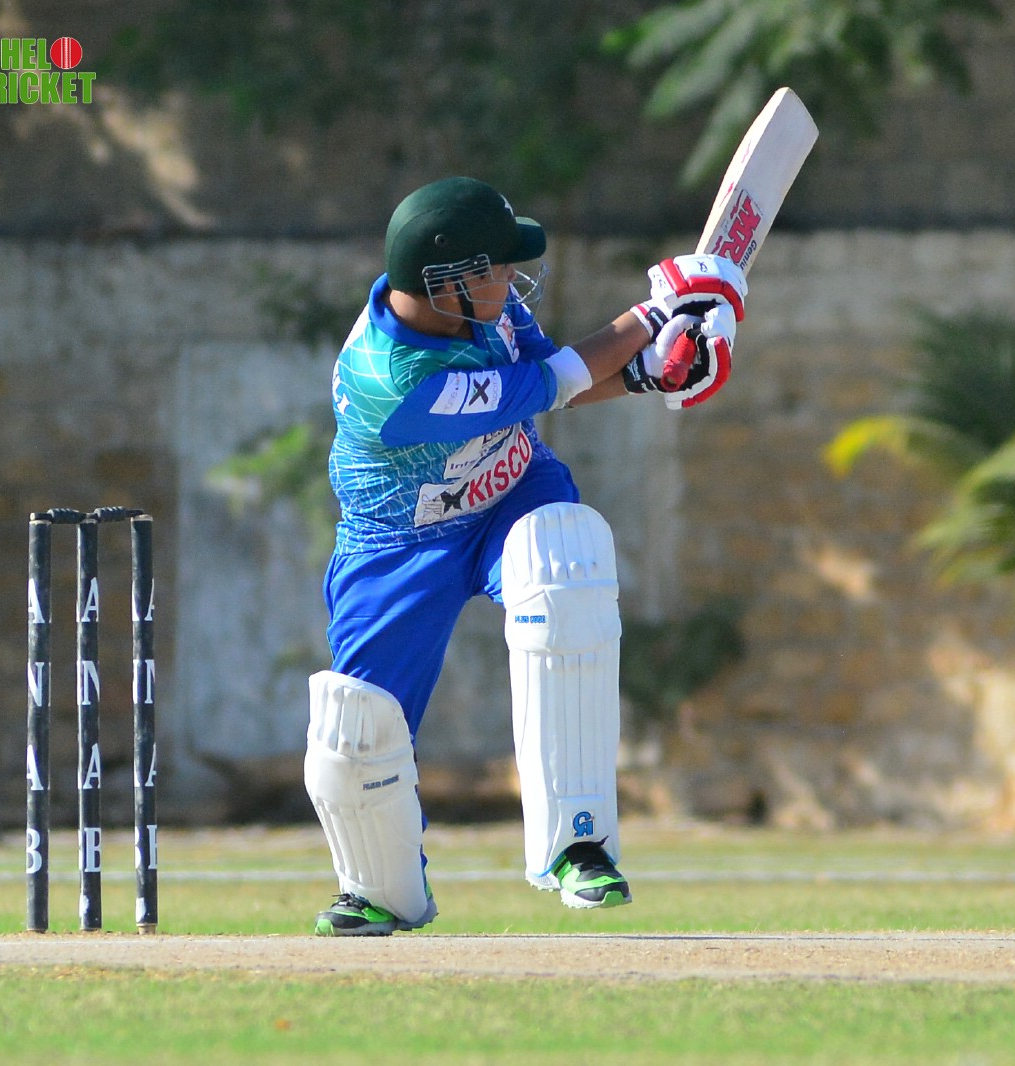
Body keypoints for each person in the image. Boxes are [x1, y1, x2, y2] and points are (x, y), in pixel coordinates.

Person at [304, 176, 745, 935]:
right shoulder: (393, 379)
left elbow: (559, 383)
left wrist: (649, 372)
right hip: (398, 542)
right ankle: (379, 890)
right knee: (356, 728)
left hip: (510, 491)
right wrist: (652, 314)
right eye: (498, 266)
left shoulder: (480, 306)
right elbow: (547, 381)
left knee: (563, 562)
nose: (511, 278)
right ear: (445, 282)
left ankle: (580, 844)